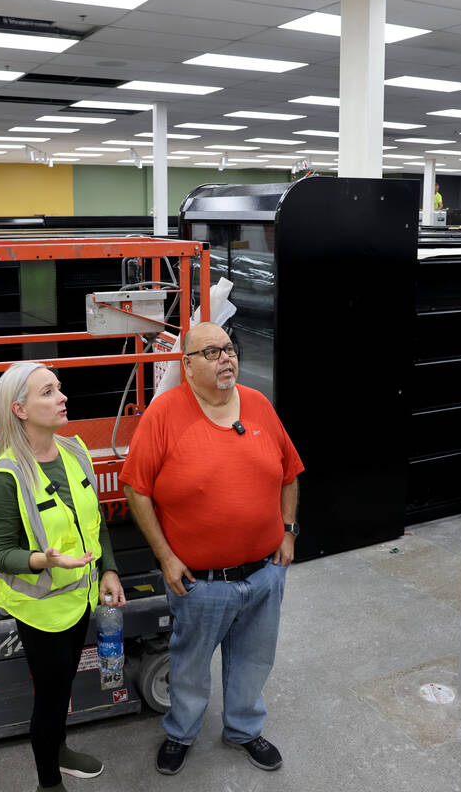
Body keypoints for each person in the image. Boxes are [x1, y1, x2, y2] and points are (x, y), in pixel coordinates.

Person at [120, 322, 303, 776]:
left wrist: (288, 531)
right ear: (186, 364)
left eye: (229, 349)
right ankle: (181, 732)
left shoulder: (258, 404)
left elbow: (289, 473)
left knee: (254, 660)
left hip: (264, 573)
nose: (226, 358)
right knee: (189, 666)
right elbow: (136, 489)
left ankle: (243, 728)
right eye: (211, 352)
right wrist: (165, 556)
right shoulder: (164, 415)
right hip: (201, 584)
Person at [0, 361, 126, 792]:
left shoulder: (76, 451)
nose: (62, 397)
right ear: (20, 409)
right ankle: (49, 782)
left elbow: (94, 520)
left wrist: (108, 570)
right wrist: (43, 561)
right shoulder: (5, 478)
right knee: (49, 697)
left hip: (80, 599)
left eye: (59, 389)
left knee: (62, 685)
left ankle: (59, 749)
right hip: (40, 611)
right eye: (48, 392)